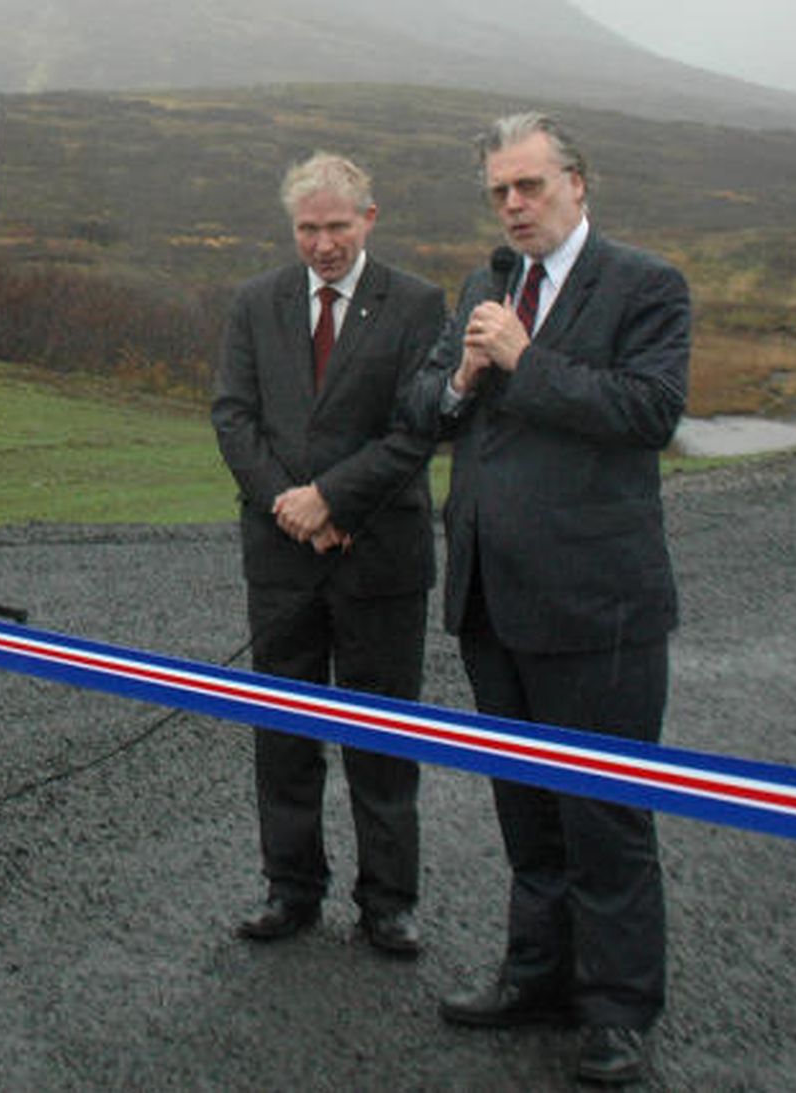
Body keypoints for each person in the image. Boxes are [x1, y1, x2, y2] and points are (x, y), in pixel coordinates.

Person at [400, 112, 690, 1086]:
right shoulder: (486, 283)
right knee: (524, 812)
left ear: (575, 182)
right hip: (489, 599)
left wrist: (524, 363)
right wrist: (463, 375)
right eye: (498, 193)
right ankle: (534, 975)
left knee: (603, 816)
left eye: (528, 186)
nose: (513, 206)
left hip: (597, 607)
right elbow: (419, 406)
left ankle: (615, 1012)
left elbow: (645, 413)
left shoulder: (644, 285)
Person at [211, 153, 445, 956]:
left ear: (369, 219)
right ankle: (291, 887)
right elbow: (233, 417)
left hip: (379, 558)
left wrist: (335, 500)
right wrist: (292, 504)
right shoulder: (256, 302)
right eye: (308, 229)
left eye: (338, 226)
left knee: (380, 735)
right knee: (283, 730)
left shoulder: (417, 304)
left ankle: (389, 900)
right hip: (283, 556)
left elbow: (418, 429)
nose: (323, 244)